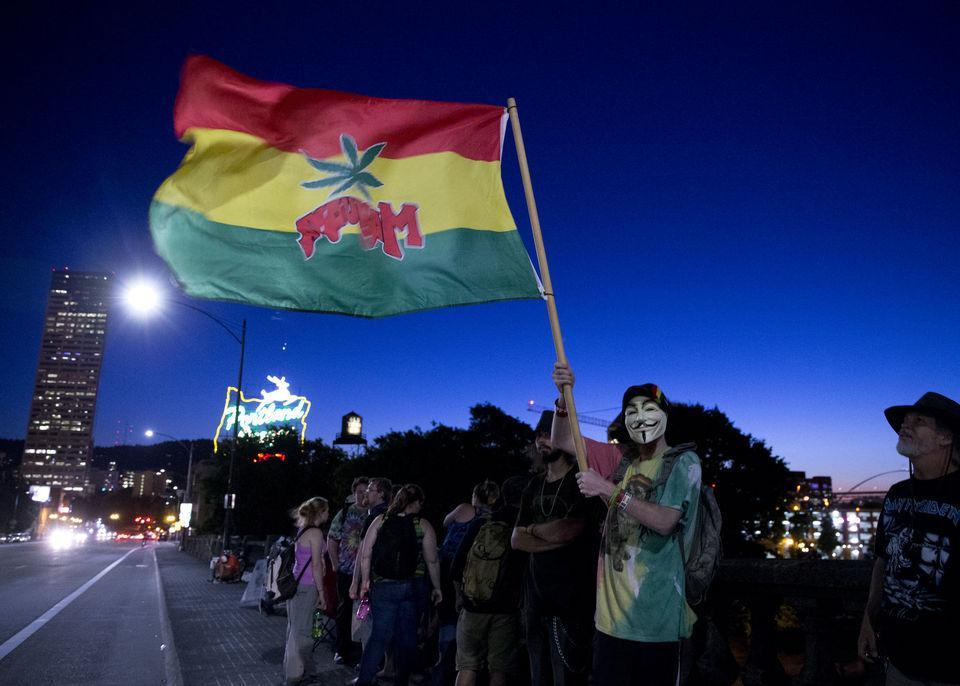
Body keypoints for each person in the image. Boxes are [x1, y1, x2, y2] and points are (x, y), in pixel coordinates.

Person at [551, 363, 702, 686]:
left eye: (649, 408)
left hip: (656, 623)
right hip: (609, 623)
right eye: (631, 410)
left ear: (664, 415)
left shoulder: (683, 462)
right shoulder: (621, 460)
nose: (640, 416)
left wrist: (607, 489)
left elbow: (665, 521)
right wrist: (563, 398)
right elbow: (563, 440)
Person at [858, 392, 960, 686]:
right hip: (900, 663)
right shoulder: (897, 494)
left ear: (945, 437)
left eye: (919, 421)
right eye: (905, 420)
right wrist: (868, 620)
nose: (905, 425)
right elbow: (883, 561)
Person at [512, 410, 597, 686]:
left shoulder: (580, 481)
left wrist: (534, 531)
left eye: (549, 434)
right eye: (538, 434)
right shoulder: (533, 485)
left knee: (569, 676)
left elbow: (571, 530)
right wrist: (552, 536)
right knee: (539, 674)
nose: (542, 441)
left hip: (571, 600)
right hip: (535, 599)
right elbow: (516, 540)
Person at [356, 484, 442, 686]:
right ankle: (401, 680)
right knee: (407, 638)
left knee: (379, 636)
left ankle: (364, 680)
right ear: (416, 502)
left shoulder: (381, 520)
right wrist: (437, 588)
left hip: (383, 586)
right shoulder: (423, 525)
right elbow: (432, 560)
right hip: (412, 586)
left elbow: (366, 554)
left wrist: (365, 581)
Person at [451, 477, 526, 686]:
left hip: (473, 604)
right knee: (499, 668)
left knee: (467, 665)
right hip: (506, 609)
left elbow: (456, 567)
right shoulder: (522, 527)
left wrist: (460, 596)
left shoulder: (482, 523)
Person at [433, 480, 501, 684]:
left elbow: (445, 522)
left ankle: (444, 666)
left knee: (447, 616)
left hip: (450, 566)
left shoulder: (465, 509)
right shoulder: (494, 520)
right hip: (476, 576)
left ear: (475, 496)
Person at [283, 496, 330, 685]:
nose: (328, 514)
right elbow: (317, 565)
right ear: (320, 512)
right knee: (303, 634)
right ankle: (305, 674)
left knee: (294, 630)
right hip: (308, 586)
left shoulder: (303, 530)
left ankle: (294, 672)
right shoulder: (316, 533)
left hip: (296, 585)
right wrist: (321, 592)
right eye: (326, 510)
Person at [327, 476, 369, 665]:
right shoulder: (345, 513)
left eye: (365, 491)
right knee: (343, 610)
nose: (362, 495)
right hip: (346, 570)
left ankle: (362, 650)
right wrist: (335, 563)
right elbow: (331, 539)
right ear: (353, 493)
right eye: (359, 491)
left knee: (364, 611)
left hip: (366, 573)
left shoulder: (374, 514)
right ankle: (341, 649)